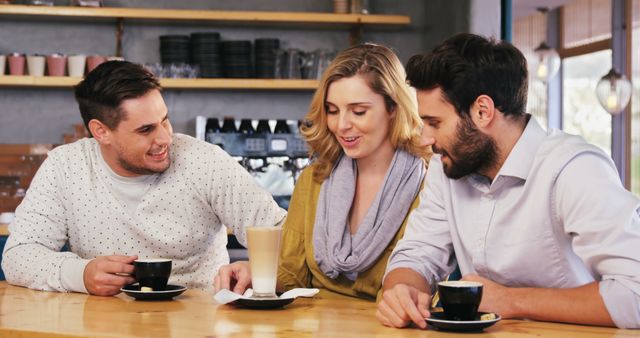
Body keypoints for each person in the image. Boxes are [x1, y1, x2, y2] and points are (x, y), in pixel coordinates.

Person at [376, 33, 640, 329]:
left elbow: (635, 293)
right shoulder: (447, 165)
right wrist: (403, 289)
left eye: (435, 122)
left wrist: (511, 301)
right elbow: (417, 253)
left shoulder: (574, 169)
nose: (425, 139)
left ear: (482, 111)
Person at [1, 61, 286, 296]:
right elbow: (19, 256)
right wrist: (82, 274)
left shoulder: (205, 161)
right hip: (103, 326)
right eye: (146, 129)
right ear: (101, 132)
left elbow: (285, 236)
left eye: (165, 120)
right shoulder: (65, 167)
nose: (165, 138)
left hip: (201, 323)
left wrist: (261, 268)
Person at [214, 43, 430, 300]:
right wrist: (254, 272)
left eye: (358, 111)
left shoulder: (429, 186)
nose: (341, 125)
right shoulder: (314, 180)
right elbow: (292, 274)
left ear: (393, 108)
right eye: (332, 110)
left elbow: (423, 280)